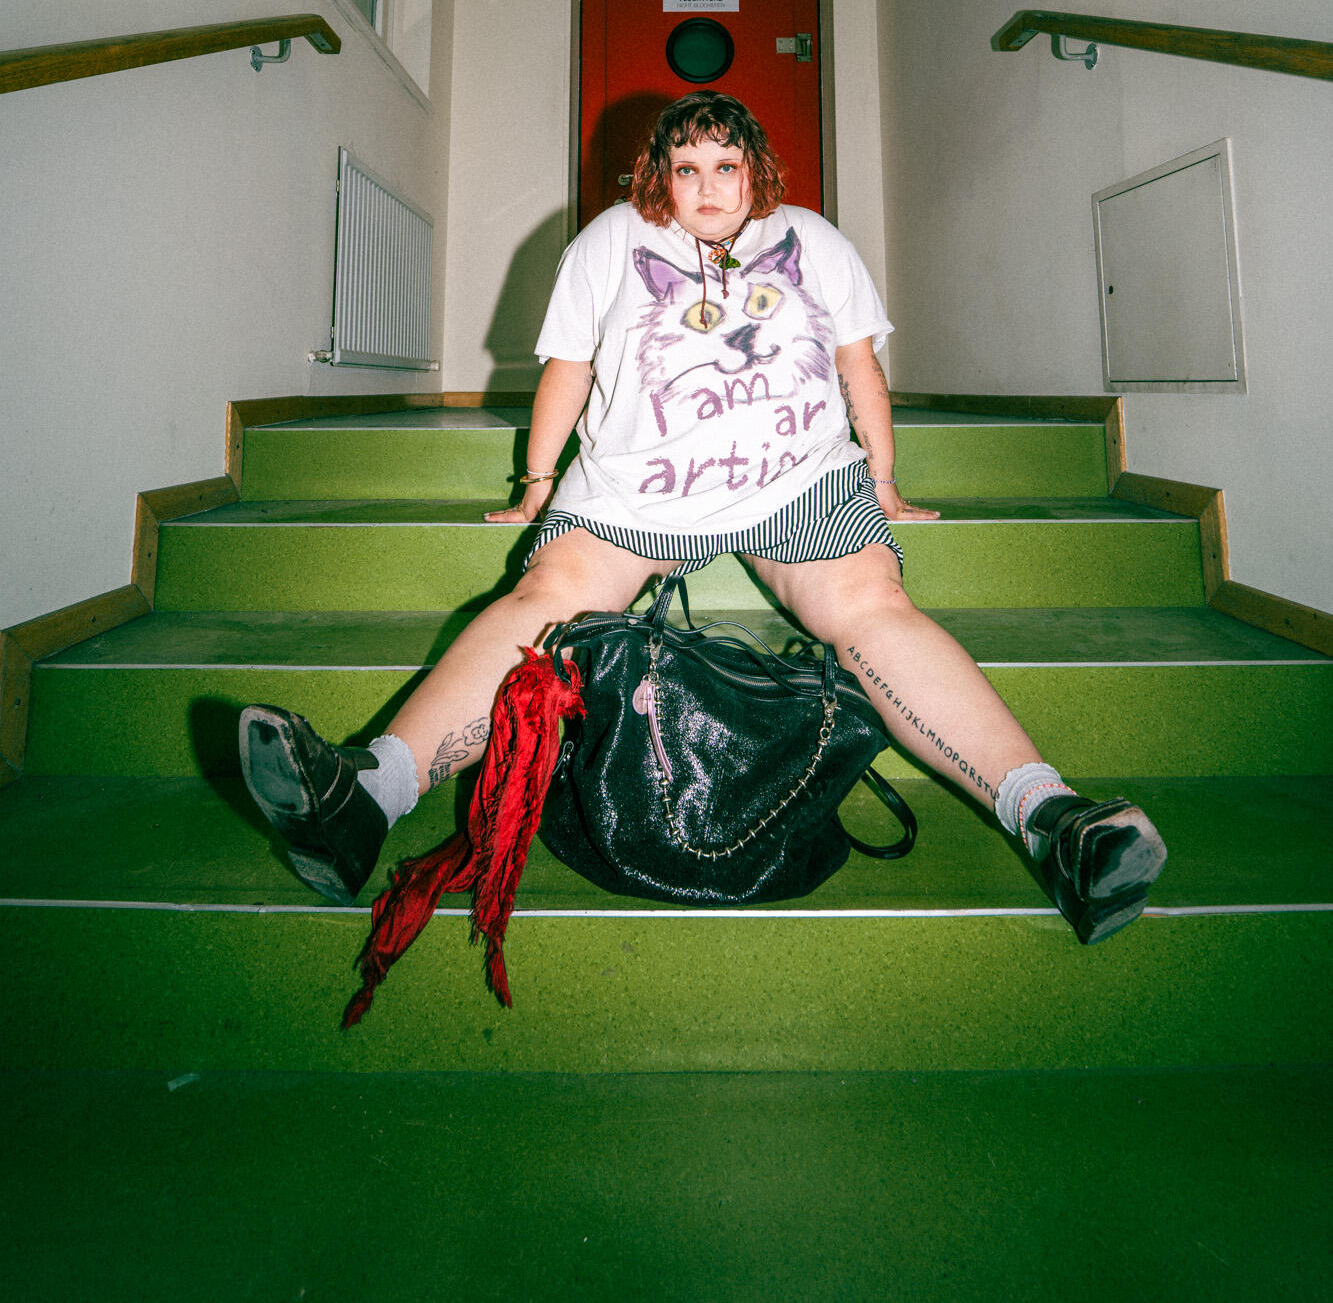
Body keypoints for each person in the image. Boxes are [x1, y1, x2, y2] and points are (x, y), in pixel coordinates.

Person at [239, 93, 1165, 945]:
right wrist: (534, 481)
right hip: (635, 492)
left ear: (756, 169)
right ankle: (365, 799)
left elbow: (858, 364)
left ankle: (1052, 824)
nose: (707, 186)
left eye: (726, 166)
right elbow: (568, 367)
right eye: (686, 168)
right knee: (546, 602)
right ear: (659, 175)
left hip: (798, 483)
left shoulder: (810, 238)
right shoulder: (609, 241)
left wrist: (880, 478)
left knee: (874, 611)